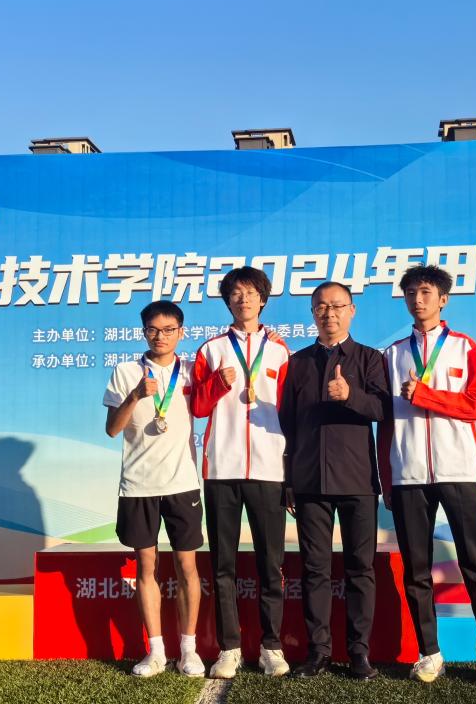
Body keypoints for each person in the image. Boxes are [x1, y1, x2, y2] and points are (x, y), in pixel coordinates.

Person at [378, 265, 476, 686]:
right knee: (416, 570)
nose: (417, 300)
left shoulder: (465, 348)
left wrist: (426, 395)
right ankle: (429, 654)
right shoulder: (392, 355)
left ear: (443, 299)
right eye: (410, 293)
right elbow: (385, 424)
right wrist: (386, 478)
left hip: (460, 471)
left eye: (426, 292)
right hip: (408, 475)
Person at [279, 281, 389, 681]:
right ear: (312, 313)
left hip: (358, 479)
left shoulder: (370, 358)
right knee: (315, 569)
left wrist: (350, 395)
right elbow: (287, 425)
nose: (330, 313)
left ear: (352, 310)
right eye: (321, 307)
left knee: (360, 569)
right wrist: (289, 479)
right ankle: (318, 652)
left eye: (338, 306)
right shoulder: (297, 363)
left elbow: (383, 409)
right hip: (310, 482)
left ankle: (359, 653)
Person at [190, 267, 291, 678]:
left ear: (262, 300)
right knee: (223, 564)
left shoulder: (281, 351)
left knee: (271, 564)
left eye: (250, 292)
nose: (243, 299)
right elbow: (198, 407)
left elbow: (290, 413)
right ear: (227, 301)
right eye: (235, 293)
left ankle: (271, 646)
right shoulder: (211, 349)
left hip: (269, 468)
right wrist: (217, 383)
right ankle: (229, 648)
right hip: (222, 467)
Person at [104, 300, 204, 678]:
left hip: (182, 483)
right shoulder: (126, 371)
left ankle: (189, 650)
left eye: (168, 330)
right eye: (152, 330)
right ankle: (156, 651)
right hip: (138, 485)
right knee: (147, 567)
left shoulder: (192, 371)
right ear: (143, 331)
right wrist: (135, 395)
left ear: (181, 332)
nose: (160, 337)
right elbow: (112, 429)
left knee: (186, 566)